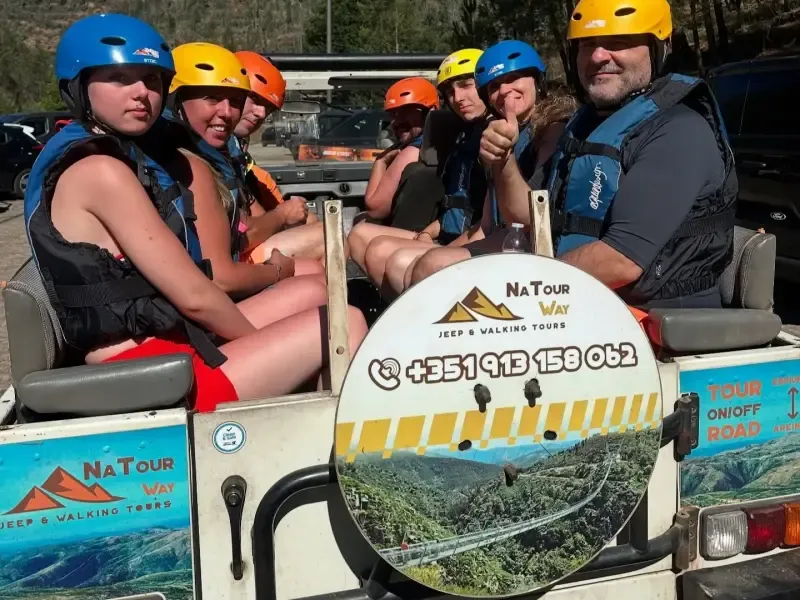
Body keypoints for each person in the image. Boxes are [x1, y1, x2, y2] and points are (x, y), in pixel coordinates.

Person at [24, 13, 368, 413]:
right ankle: (332, 452)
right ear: (79, 87)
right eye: (120, 79)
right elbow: (196, 297)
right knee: (345, 324)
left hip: (162, 339)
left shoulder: (110, 156)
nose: (141, 93)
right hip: (144, 367)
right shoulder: (102, 172)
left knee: (311, 291)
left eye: (152, 81)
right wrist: (255, 340)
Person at [410, 0, 737, 312]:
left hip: (644, 313)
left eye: (618, 41)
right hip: (580, 295)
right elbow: (529, 217)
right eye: (586, 44)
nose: (597, 56)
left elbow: (621, 261)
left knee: (451, 294)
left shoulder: (678, 130)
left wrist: (525, 284)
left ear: (658, 47)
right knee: (435, 275)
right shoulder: (587, 125)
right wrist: (503, 160)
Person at [164, 42, 323, 300]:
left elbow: (246, 220)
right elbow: (235, 248)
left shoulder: (225, 153)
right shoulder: (191, 163)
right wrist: (277, 264)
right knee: (322, 254)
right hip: (214, 280)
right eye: (212, 98)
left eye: (235, 101)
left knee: (316, 262)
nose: (226, 112)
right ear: (177, 101)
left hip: (221, 269)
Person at [347, 49, 488, 296]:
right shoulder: (462, 140)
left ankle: (404, 315)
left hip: (471, 240)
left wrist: (380, 163)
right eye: (451, 92)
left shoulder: (491, 140)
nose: (459, 98)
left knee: (387, 253)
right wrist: (427, 234)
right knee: (360, 235)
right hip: (445, 232)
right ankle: (395, 312)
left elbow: (375, 206)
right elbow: (455, 208)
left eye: (467, 85)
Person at [227, 50, 326, 266]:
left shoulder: (234, 152)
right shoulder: (211, 151)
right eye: (254, 99)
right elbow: (239, 235)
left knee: (310, 221)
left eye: (269, 108)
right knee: (328, 237)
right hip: (230, 256)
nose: (261, 114)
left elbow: (253, 211)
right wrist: (281, 215)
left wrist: (282, 216)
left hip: (240, 242)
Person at [363, 77, 440, 221]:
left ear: (429, 112)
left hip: (412, 232)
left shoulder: (413, 152)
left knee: (359, 226)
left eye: (406, 112)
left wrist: (380, 162)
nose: (396, 121)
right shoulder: (440, 142)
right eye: (393, 114)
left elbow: (375, 209)